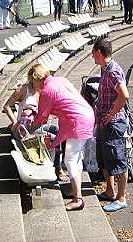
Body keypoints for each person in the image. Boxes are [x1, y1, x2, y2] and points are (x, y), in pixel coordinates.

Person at [30, 64, 95, 212]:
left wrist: (28, 129)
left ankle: (78, 198)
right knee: (76, 157)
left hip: (76, 121)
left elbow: (41, 119)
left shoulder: (47, 91)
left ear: (36, 78)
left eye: (32, 82)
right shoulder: (60, 80)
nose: (32, 85)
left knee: (69, 159)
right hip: (87, 115)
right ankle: (75, 188)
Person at [91, 38, 130, 213]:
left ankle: (121, 198)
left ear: (99, 52)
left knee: (117, 160)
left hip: (113, 123)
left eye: (93, 53)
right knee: (105, 159)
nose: (92, 57)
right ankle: (110, 191)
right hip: (104, 123)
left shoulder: (113, 71)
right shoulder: (105, 69)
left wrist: (112, 114)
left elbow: (124, 95)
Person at [3, 81, 68, 182]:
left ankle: (63, 161)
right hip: (27, 128)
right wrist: (16, 122)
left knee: (62, 132)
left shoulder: (44, 90)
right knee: (56, 139)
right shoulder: (23, 89)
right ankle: (58, 169)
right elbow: (7, 107)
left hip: (39, 125)